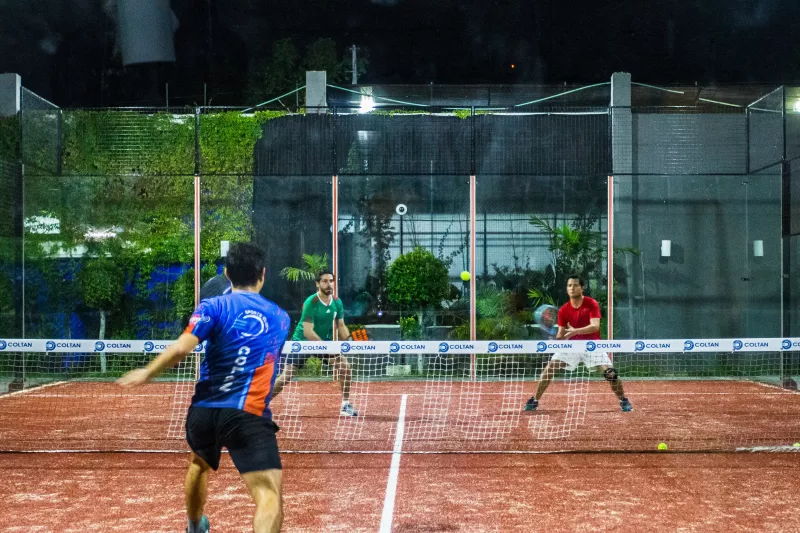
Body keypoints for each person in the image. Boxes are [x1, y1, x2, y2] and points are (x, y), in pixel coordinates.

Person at [118, 243, 290, 533]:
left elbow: (181, 349)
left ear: (227, 273)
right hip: (247, 413)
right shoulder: (280, 317)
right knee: (269, 496)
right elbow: (267, 364)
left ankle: (195, 527)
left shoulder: (212, 306)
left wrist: (148, 372)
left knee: (198, 464)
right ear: (263, 273)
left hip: (204, 412)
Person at [524, 275, 632, 413]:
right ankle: (534, 400)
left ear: (582, 288)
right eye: (569, 285)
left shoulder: (591, 304)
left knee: (610, 373)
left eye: (575, 285)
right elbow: (561, 334)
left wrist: (576, 331)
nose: (572, 288)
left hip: (591, 345)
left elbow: (595, 326)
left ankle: (623, 400)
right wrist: (555, 340)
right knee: (550, 368)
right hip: (571, 346)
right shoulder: (563, 310)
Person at [273, 271, 358, 417]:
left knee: (345, 367)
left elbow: (341, 325)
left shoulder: (337, 302)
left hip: (322, 342)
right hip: (302, 343)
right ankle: (260, 405)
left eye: (331, 281)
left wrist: (350, 341)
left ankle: (345, 405)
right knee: (286, 376)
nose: (329, 284)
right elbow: (308, 332)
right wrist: (326, 348)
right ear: (318, 284)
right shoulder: (311, 302)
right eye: (324, 281)